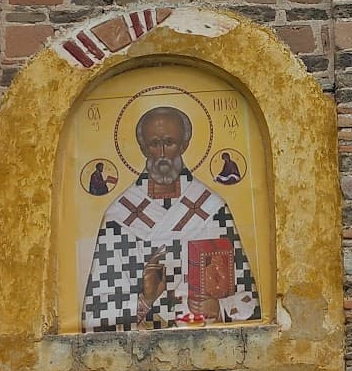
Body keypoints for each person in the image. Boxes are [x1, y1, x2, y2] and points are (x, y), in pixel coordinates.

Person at [81, 105, 259, 331]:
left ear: (184, 144)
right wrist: (144, 301)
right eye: (155, 144)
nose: (163, 154)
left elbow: (250, 302)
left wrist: (219, 307)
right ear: (143, 148)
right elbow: (95, 315)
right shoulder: (119, 217)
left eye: (170, 142)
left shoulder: (212, 209)